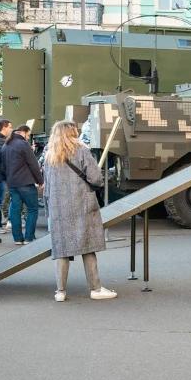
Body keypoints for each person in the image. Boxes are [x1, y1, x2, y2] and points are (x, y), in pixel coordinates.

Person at [42, 121, 116, 302]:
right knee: (88, 247)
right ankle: (96, 289)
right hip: (82, 204)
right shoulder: (82, 150)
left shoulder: (49, 155)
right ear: (72, 133)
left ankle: (60, 291)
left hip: (59, 208)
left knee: (61, 250)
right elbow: (96, 178)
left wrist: (49, 211)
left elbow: (46, 187)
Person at [3, 124, 42, 245]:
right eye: (28, 135)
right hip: (26, 183)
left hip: (12, 184)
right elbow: (34, 164)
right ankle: (29, 238)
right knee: (32, 209)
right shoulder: (23, 144)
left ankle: (18, 239)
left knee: (15, 210)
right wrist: (40, 181)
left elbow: (2, 167)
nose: (28, 137)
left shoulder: (6, 144)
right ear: (24, 132)